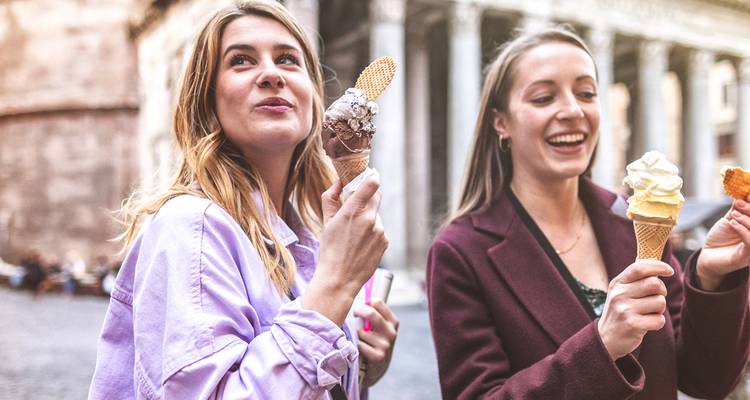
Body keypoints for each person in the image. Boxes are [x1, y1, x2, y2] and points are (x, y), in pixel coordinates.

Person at [89, 2, 397, 399]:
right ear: (207, 99)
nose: (271, 73)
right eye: (241, 61)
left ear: (312, 97)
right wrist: (335, 287)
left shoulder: (306, 242)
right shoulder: (191, 226)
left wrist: (360, 368)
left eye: (288, 59)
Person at [426, 26, 750, 400]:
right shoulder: (459, 251)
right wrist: (601, 346)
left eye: (586, 93)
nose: (572, 110)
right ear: (501, 122)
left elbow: (706, 379)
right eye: (544, 97)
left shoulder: (632, 219)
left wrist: (711, 276)